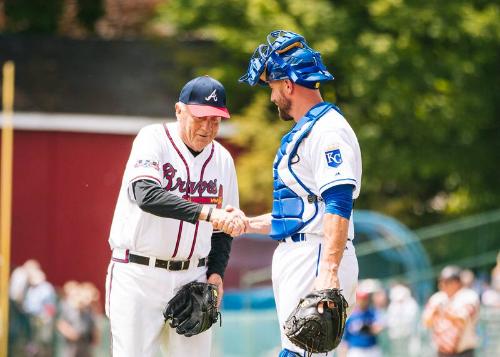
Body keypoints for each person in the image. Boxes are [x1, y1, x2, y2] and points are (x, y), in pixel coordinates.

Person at [238, 30, 362, 356]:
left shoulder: (328, 130)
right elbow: (302, 212)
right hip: (305, 252)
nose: (271, 97)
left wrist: (329, 273)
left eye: (273, 87)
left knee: (298, 355)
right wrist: (247, 224)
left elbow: (338, 202)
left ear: (289, 85)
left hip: (317, 255)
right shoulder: (309, 128)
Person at [106, 75, 246, 356]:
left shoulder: (222, 159)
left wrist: (216, 273)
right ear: (179, 110)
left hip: (192, 277)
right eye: (200, 117)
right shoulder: (152, 138)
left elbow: (222, 229)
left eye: (215, 120)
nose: (207, 127)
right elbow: (145, 194)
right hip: (138, 275)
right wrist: (208, 213)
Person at [423, 266, 480, 357]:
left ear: (456, 282)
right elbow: (426, 322)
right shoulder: (437, 298)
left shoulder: (469, 297)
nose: (442, 284)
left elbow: (462, 319)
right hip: (442, 352)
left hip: (463, 352)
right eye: (440, 281)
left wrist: (443, 312)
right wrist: (434, 313)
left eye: (446, 281)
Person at [343, 290, 384, 357]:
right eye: (360, 299)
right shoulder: (350, 315)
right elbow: (345, 339)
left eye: (364, 299)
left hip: (372, 348)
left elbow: (379, 327)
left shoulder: (372, 313)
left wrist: (367, 328)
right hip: (356, 350)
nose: (362, 301)